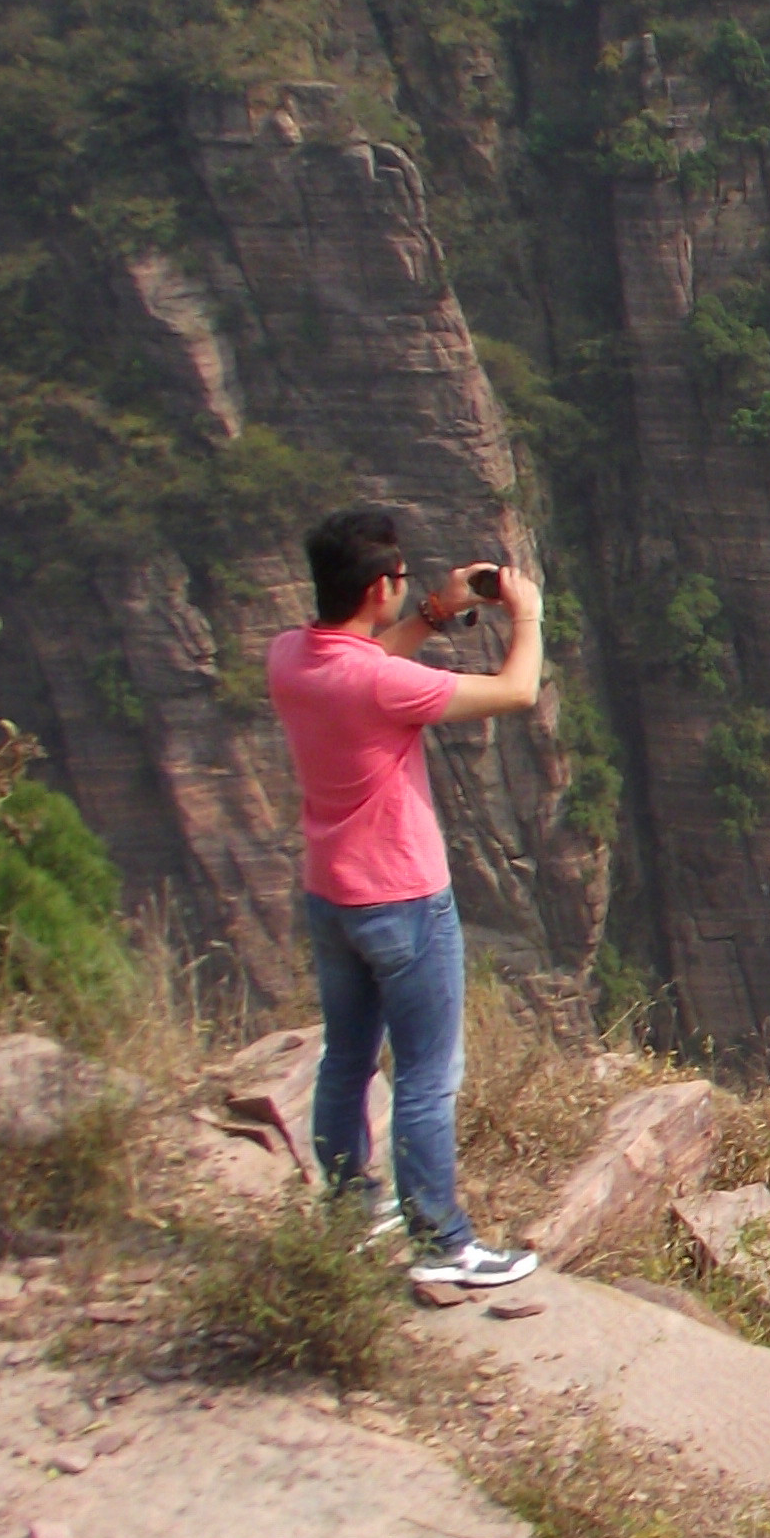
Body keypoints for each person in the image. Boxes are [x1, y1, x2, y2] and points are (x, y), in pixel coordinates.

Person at [264, 505, 548, 1294]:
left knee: (348, 1059)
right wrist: (525, 613)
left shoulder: (289, 656)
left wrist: (435, 610)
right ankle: (441, 1240)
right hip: (404, 899)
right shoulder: (383, 683)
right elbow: (517, 690)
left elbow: (363, 663)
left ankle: (348, 1210)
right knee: (427, 1073)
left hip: (332, 898)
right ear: (380, 586)